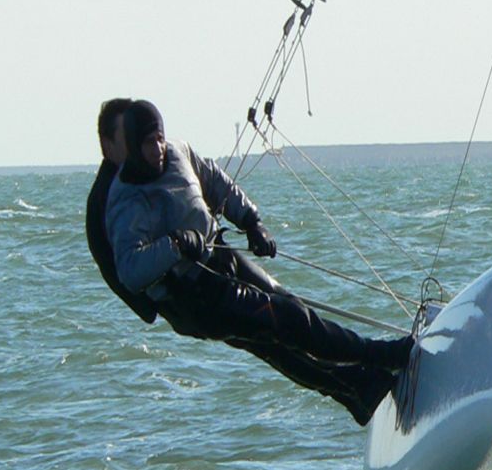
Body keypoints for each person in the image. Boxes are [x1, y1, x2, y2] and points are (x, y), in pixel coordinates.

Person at [106, 100, 412, 425]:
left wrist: (251, 222)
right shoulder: (126, 199)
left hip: (223, 257)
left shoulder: (178, 152)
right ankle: (381, 356)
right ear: (133, 147)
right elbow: (129, 270)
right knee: (289, 321)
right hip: (198, 296)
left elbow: (213, 179)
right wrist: (176, 245)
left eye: (159, 138)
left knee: (283, 324)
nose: (157, 149)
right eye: (147, 143)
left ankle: (361, 389)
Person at [86, 97, 158, 324]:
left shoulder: (134, 177)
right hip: (164, 296)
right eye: (128, 136)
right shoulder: (110, 194)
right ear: (108, 146)